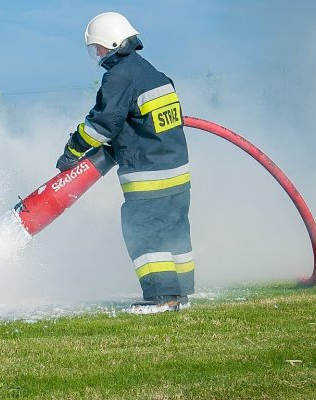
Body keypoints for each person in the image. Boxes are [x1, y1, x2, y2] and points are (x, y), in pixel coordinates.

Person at [55, 12, 194, 314]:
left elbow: (101, 125)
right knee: (175, 230)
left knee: (142, 230)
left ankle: (162, 297)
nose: (99, 54)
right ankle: (180, 293)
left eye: (100, 48)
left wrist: (72, 151)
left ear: (114, 44)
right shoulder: (154, 74)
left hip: (148, 175)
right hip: (177, 173)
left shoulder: (119, 77)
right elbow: (145, 124)